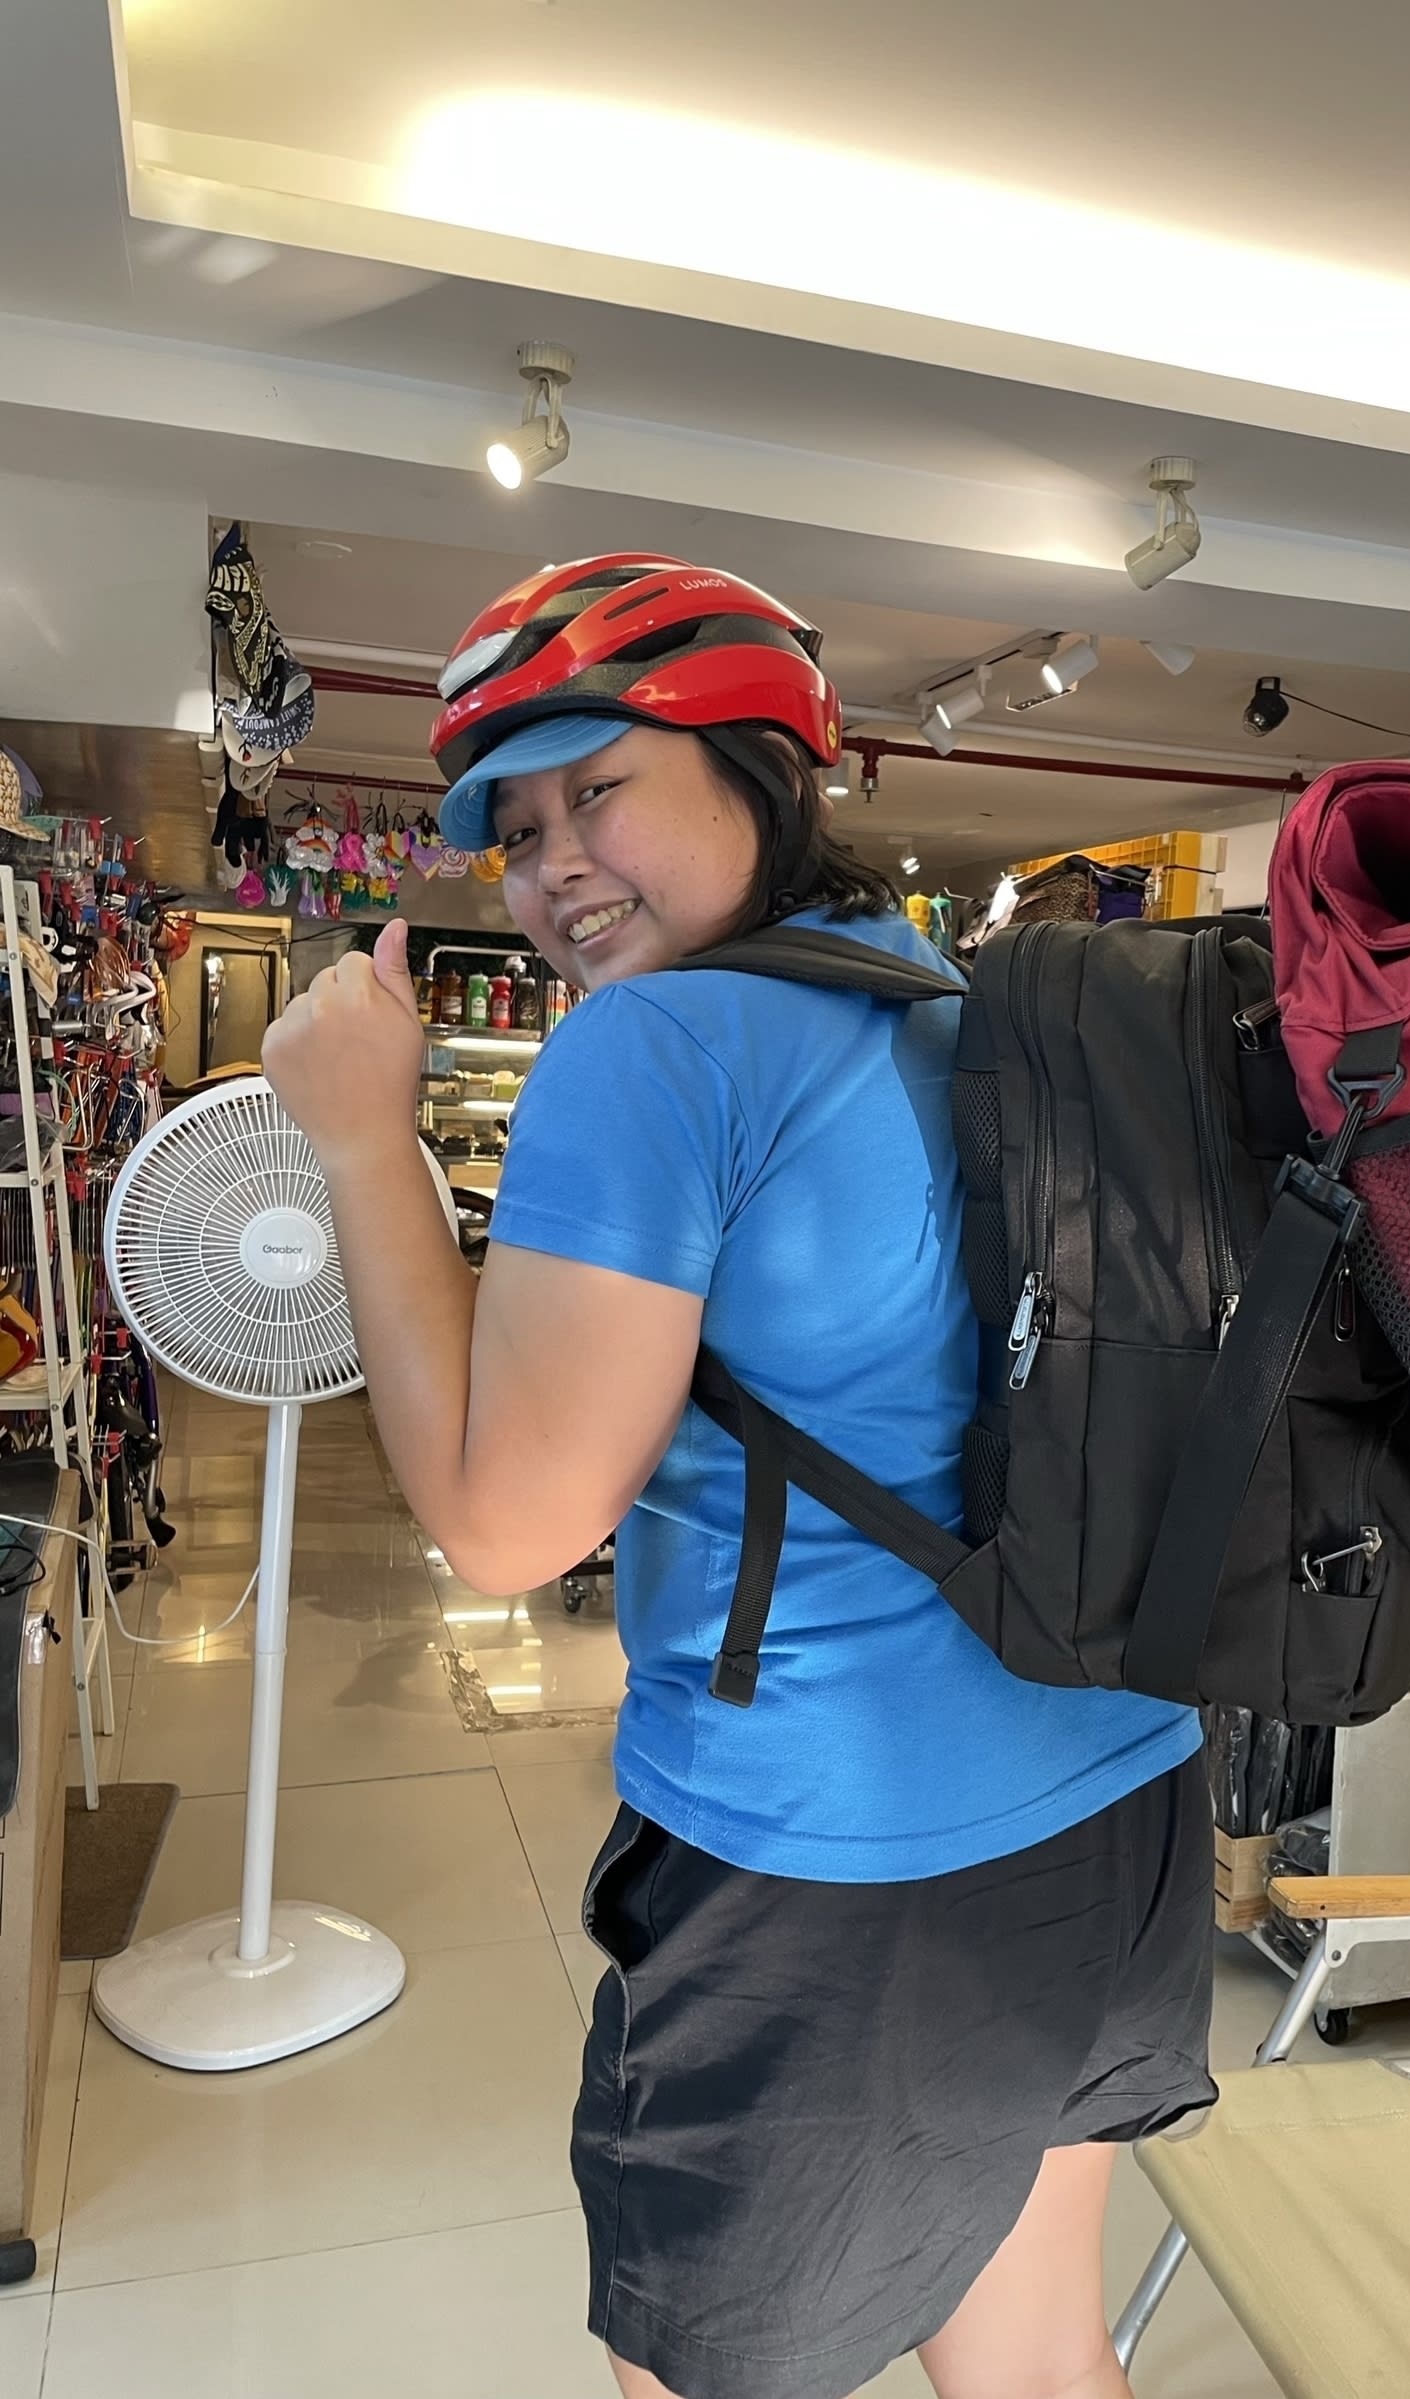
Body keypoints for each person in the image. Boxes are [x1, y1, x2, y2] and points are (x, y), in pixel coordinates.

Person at [263, 555, 1214, 2399]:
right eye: (515, 829)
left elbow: (507, 1523)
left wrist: (365, 1138)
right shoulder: (959, 996)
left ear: (760, 770)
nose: (551, 869)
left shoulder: (659, 1043)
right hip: (1119, 1788)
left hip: (836, 1859)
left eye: (597, 790)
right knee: (1034, 2356)